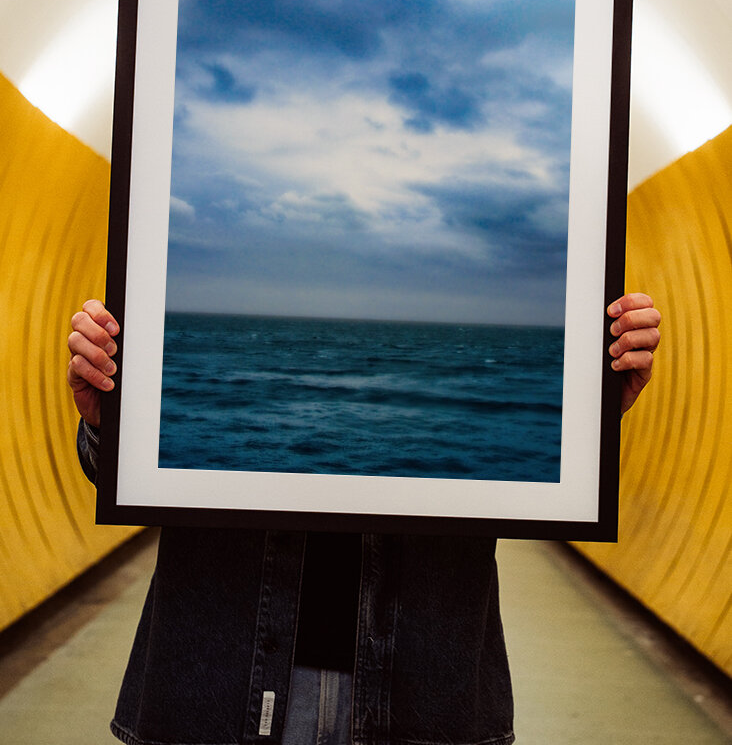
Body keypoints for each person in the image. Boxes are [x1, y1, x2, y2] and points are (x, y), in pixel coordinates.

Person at [68, 293, 661, 745]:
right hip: (217, 682)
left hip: (424, 689)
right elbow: (123, 473)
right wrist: (108, 423)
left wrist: (588, 418)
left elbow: (538, 471)